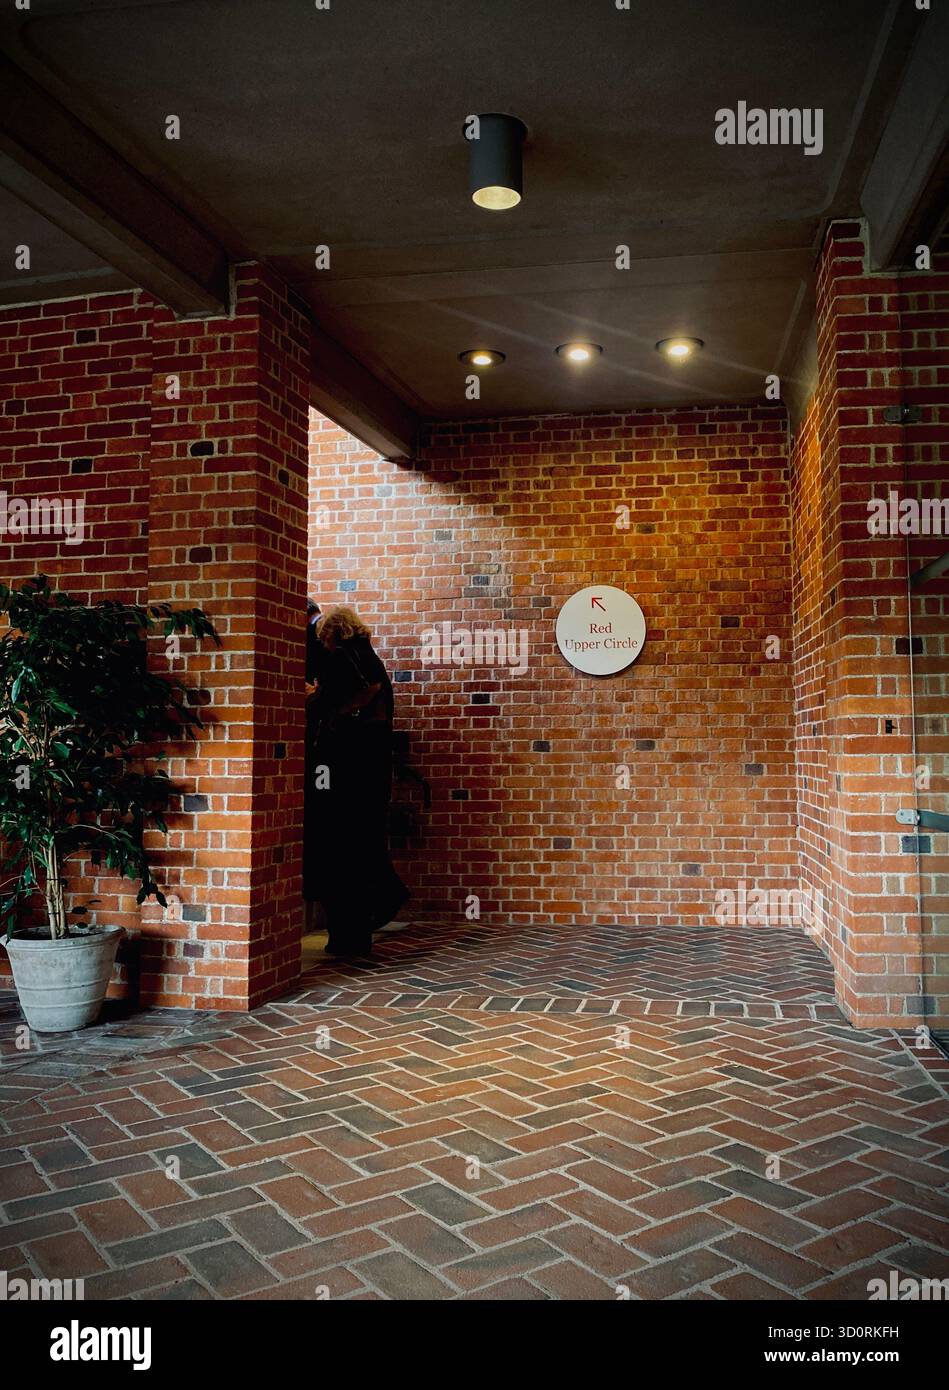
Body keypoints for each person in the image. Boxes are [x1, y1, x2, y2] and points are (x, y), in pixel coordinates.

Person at [304, 605, 409, 955]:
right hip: (369, 762)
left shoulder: (347, 657)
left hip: (347, 761)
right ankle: (358, 925)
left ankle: (356, 925)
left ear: (332, 632)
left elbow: (347, 696)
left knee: (341, 843)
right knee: (361, 842)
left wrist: (324, 709)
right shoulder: (367, 654)